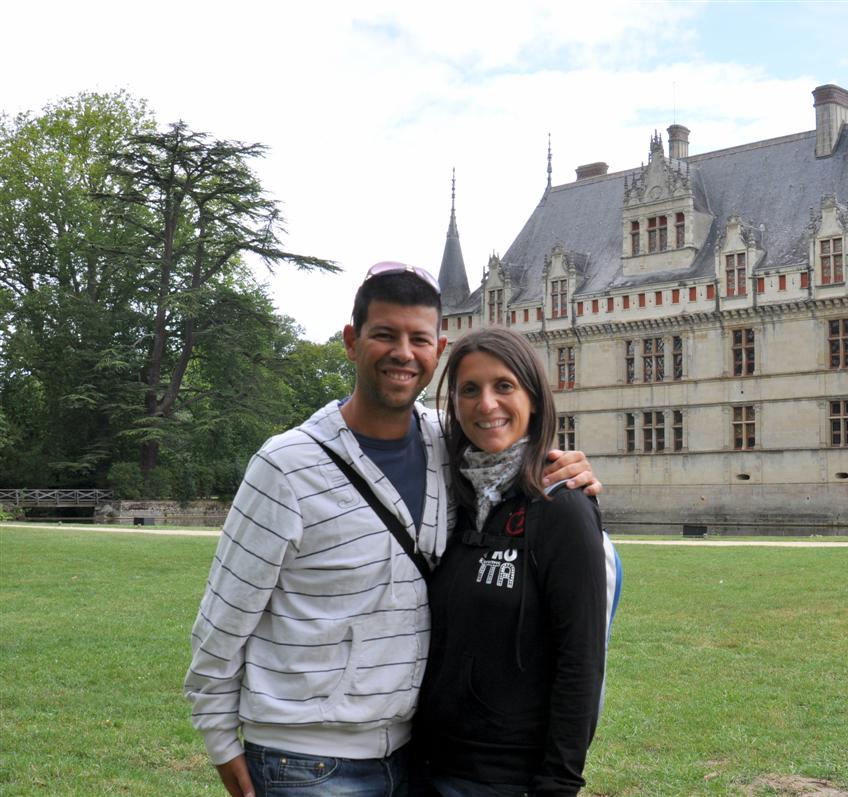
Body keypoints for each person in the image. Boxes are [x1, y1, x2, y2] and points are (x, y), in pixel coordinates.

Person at [185, 263, 599, 797]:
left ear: (437, 349)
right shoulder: (285, 466)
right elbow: (223, 617)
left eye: (418, 339)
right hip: (305, 760)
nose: (403, 353)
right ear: (352, 342)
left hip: (411, 758)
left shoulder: (447, 449)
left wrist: (567, 468)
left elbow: (505, 440)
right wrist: (220, 739)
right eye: (385, 335)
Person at [416, 327, 613, 797]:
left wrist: (559, 784)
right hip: (425, 768)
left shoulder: (562, 506)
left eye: (504, 386)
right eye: (470, 389)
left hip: (508, 780)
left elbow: (580, 663)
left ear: (535, 399)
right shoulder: (449, 496)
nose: (486, 405)